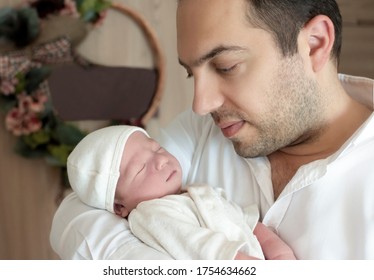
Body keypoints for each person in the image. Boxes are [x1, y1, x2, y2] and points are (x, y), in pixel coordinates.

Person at [50, 0, 374, 259]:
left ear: (315, 43)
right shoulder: (202, 130)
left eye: (225, 66)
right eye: (193, 74)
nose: (201, 104)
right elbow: (76, 213)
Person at [66, 125, 295, 260]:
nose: (160, 161)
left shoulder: (198, 191)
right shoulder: (152, 214)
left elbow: (247, 221)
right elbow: (203, 250)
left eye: (157, 148)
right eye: (141, 168)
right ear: (119, 207)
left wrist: (278, 252)